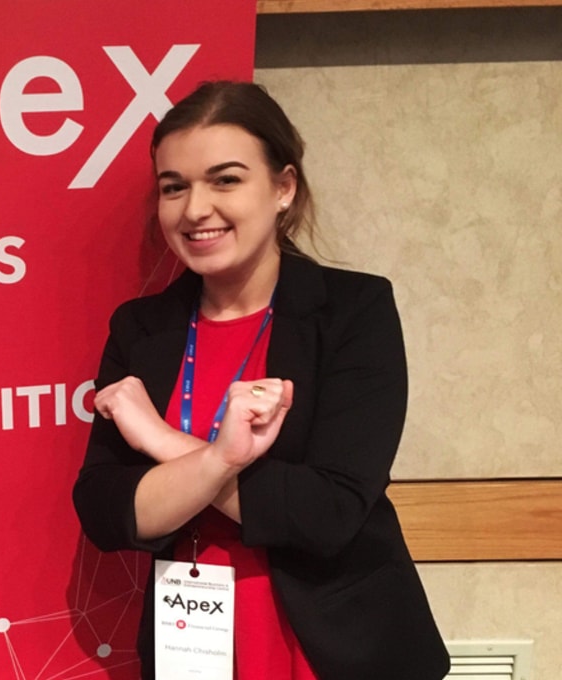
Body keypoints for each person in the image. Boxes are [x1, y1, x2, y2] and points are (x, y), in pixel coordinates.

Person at [72, 81, 449, 680]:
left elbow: (329, 511)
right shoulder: (141, 330)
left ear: (283, 187)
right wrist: (217, 460)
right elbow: (106, 510)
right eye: (174, 187)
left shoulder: (354, 311)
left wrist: (163, 441)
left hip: (338, 650)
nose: (195, 209)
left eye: (225, 180)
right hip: (193, 648)